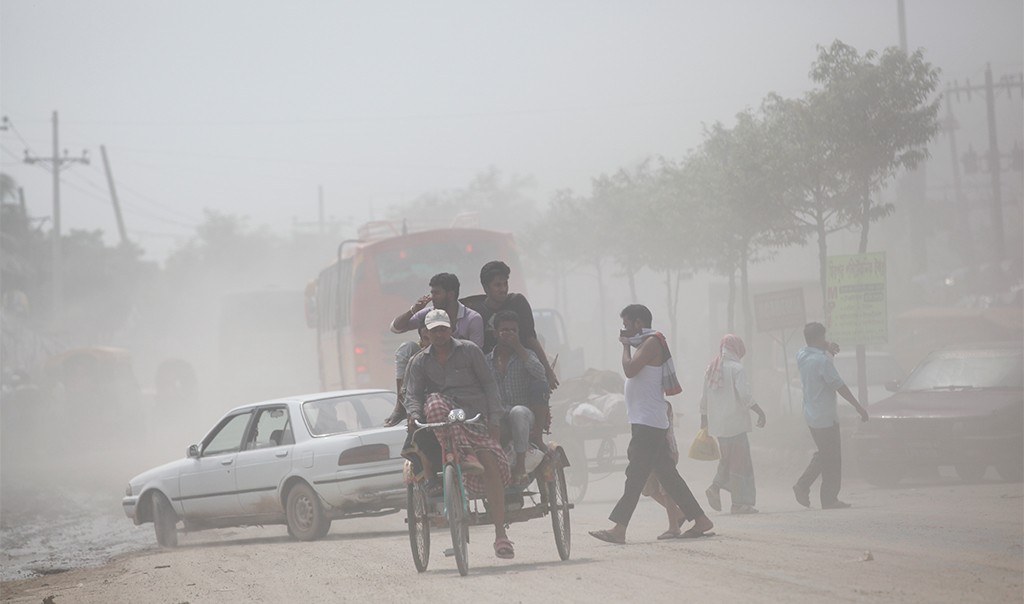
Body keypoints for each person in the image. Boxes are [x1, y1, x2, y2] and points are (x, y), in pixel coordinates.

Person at [589, 304, 713, 544]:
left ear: (638, 324)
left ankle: (619, 529)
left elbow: (630, 369)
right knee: (667, 475)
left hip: (649, 422)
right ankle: (700, 519)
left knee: (635, 475)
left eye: (627, 325)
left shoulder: (652, 342)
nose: (624, 330)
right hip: (645, 420)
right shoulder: (646, 344)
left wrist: (624, 346)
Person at [403, 309, 516, 559]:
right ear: (427, 333)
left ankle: (501, 535)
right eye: (434, 330)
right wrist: (412, 414)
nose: (440, 334)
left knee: (491, 465)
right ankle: (461, 458)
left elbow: (489, 385)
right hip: (442, 427)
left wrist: (495, 419)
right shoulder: (419, 361)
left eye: (444, 329)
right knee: (432, 402)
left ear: (451, 329)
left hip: (474, 418)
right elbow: (412, 395)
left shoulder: (469, 351)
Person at [793, 322, 869, 510]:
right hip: (826, 416)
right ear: (819, 338)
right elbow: (839, 386)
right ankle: (818, 493)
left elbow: (812, 347)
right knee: (831, 457)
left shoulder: (802, 356)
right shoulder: (822, 362)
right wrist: (858, 407)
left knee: (825, 453)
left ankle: (816, 492)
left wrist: (826, 346)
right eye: (823, 337)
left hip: (812, 414)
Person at [461, 260, 559, 388]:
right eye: (497, 285)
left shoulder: (517, 303)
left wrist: (548, 371)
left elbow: (531, 338)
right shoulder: (477, 312)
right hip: (490, 369)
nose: (503, 289)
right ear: (486, 288)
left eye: (505, 284)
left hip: (521, 363)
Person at [700, 334, 767, 515]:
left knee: (727, 460)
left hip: (719, 427)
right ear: (737, 349)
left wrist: (703, 423)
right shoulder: (737, 369)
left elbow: (704, 400)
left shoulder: (711, 369)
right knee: (740, 464)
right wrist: (760, 411)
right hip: (736, 424)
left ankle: (715, 487)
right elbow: (745, 395)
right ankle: (739, 503)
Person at [485, 310, 550, 485]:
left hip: (524, 415)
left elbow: (540, 374)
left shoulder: (526, 355)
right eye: (505, 330)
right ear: (495, 333)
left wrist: (519, 348)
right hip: (498, 416)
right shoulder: (485, 361)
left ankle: (520, 466)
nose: (509, 334)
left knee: (518, 412)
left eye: (514, 330)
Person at [391, 272, 483, 348]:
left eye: (437, 293)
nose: (432, 298)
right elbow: (396, 328)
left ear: (450, 295)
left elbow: (476, 354)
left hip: (461, 367)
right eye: (432, 293)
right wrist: (413, 310)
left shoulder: (473, 319)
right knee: (407, 347)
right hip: (431, 365)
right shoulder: (428, 313)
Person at [642, 402, 687, 539]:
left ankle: (674, 527)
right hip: (650, 452)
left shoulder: (662, 406)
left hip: (665, 451)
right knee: (647, 488)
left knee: (666, 489)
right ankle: (678, 514)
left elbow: (661, 432)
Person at [384, 326, 430, 427]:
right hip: (424, 397)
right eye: (426, 339)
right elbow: (396, 326)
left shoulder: (464, 350)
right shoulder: (419, 357)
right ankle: (401, 405)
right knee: (407, 347)